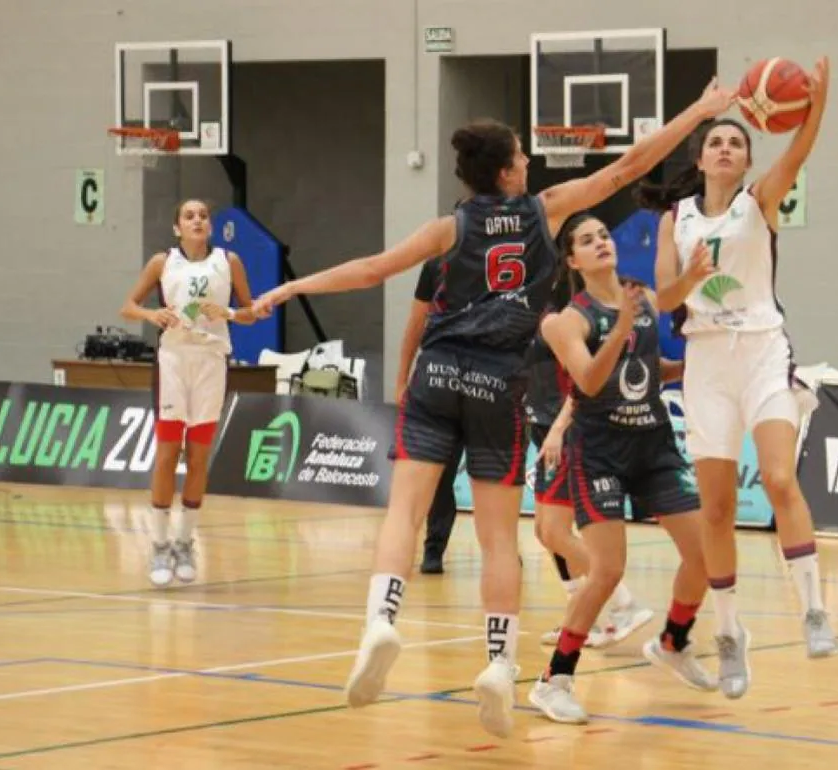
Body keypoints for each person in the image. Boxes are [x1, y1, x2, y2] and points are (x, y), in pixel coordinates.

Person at [250, 79, 735, 738]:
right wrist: (701, 112)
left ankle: (381, 622)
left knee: (406, 511)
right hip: (497, 384)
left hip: (437, 373)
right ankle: (500, 664)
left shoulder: (448, 227)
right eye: (522, 157)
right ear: (507, 170)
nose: (530, 164)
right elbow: (630, 166)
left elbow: (371, 270)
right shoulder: (545, 212)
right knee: (499, 537)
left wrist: (291, 286)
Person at [640, 58, 838, 695]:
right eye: (716, 142)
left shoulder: (760, 201)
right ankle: (729, 635)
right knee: (718, 510)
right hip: (706, 363)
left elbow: (800, 152)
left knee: (779, 478)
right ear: (700, 159)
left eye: (736, 143)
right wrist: (690, 280)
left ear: (748, 161)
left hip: (760, 351)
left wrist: (816, 108)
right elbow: (663, 298)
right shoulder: (677, 219)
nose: (725, 148)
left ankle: (813, 608)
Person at [530, 213, 715, 725]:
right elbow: (588, 380)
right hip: (600, 451)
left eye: (604, 236)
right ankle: (554, 680)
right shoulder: (570, 319)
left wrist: (700, 364)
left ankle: (674, 640)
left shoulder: (641, 295)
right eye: (587, 241)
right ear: (573, 260)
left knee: (705, 555)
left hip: (653, 445)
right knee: (606, 570)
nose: (601, 243)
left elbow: (648, 368)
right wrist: (624, 328)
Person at [119, 199, 260, 588]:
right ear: (177, 228)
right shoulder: (162, 263)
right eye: (189, 216)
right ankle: (160, 543)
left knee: (199, 458)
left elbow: (252, 311)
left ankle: (184, 542)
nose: (197, 220)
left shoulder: (228, 261)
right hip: (174, 363)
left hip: (211, 363)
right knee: (166, 455)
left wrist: (228, 314)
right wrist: (152, 315)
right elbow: (128, 306)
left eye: (203, 215)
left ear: (210, 226)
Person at [525, 273, 654, 650]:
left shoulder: (556, 320)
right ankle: (583, 617)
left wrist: (560, 426)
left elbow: (584, 381)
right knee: (545, 533)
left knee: (554, 532)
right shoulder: (518, 321)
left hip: (563, 431)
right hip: (543, 427)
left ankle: (623, 603)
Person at [396, 256, 462, 574]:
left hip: (491, 381)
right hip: (441, 380)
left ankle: (501, 549)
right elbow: (415, 323)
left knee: (492, 477)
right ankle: (433, 549)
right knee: (441, 474)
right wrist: (401, 379)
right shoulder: (436, 264)